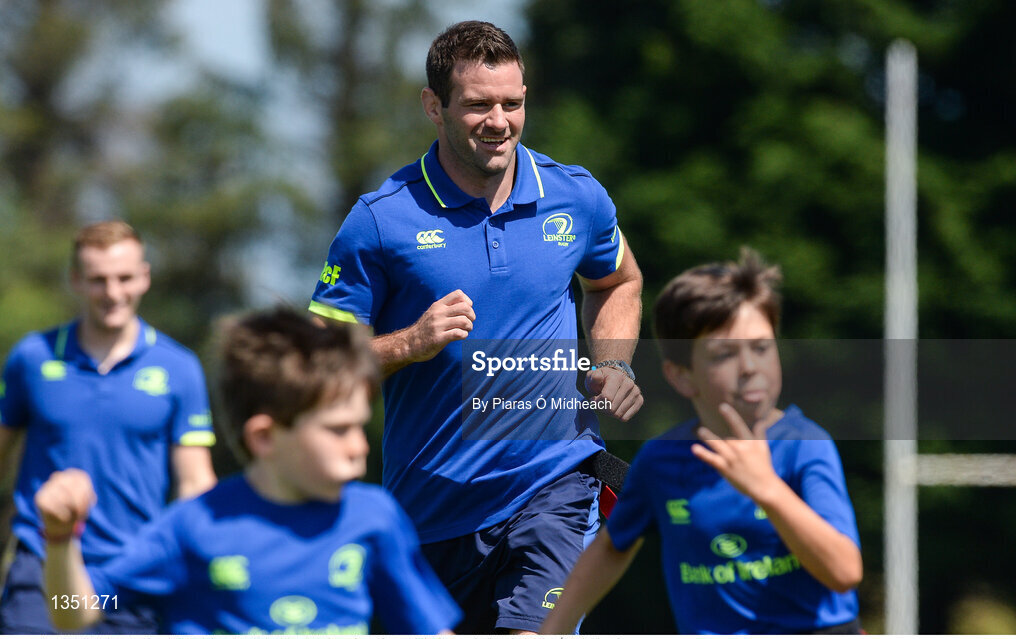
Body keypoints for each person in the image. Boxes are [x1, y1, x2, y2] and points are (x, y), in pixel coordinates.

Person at [309, 20, 643, 634]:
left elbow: (617, 281)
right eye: (477, 105)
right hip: (431, 513)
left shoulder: (577, 198)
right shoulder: (380, 222)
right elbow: (313, 362)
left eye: (512, 103)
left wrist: (614, 360)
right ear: (433, 107)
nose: (499, 121)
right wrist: (410, 342)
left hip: (554, 487)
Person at [34, 307, 461, 634]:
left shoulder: (375, 518)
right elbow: (74, 610)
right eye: (338, 430)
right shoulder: (194, 526)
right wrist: (59, 538)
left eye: (359, 424)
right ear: (265, 438)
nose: (359, 446)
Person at [540, 250, 863, 634]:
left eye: (761, 347)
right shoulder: (662, 461)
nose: (749, 367)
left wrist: (767, 489)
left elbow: (845, 571)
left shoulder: (805, 445)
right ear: (681, 376)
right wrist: (551, 630)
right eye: (724, 354)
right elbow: (612, 547)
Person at [0, 220, 217, 634]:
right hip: (41, 570)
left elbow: (194, 483)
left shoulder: (179, 367)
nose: (113, 293)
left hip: (131, 573)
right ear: (76, 281)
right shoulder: (31, 358)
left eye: (124, 278)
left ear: (145, 278)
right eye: (99, 280)